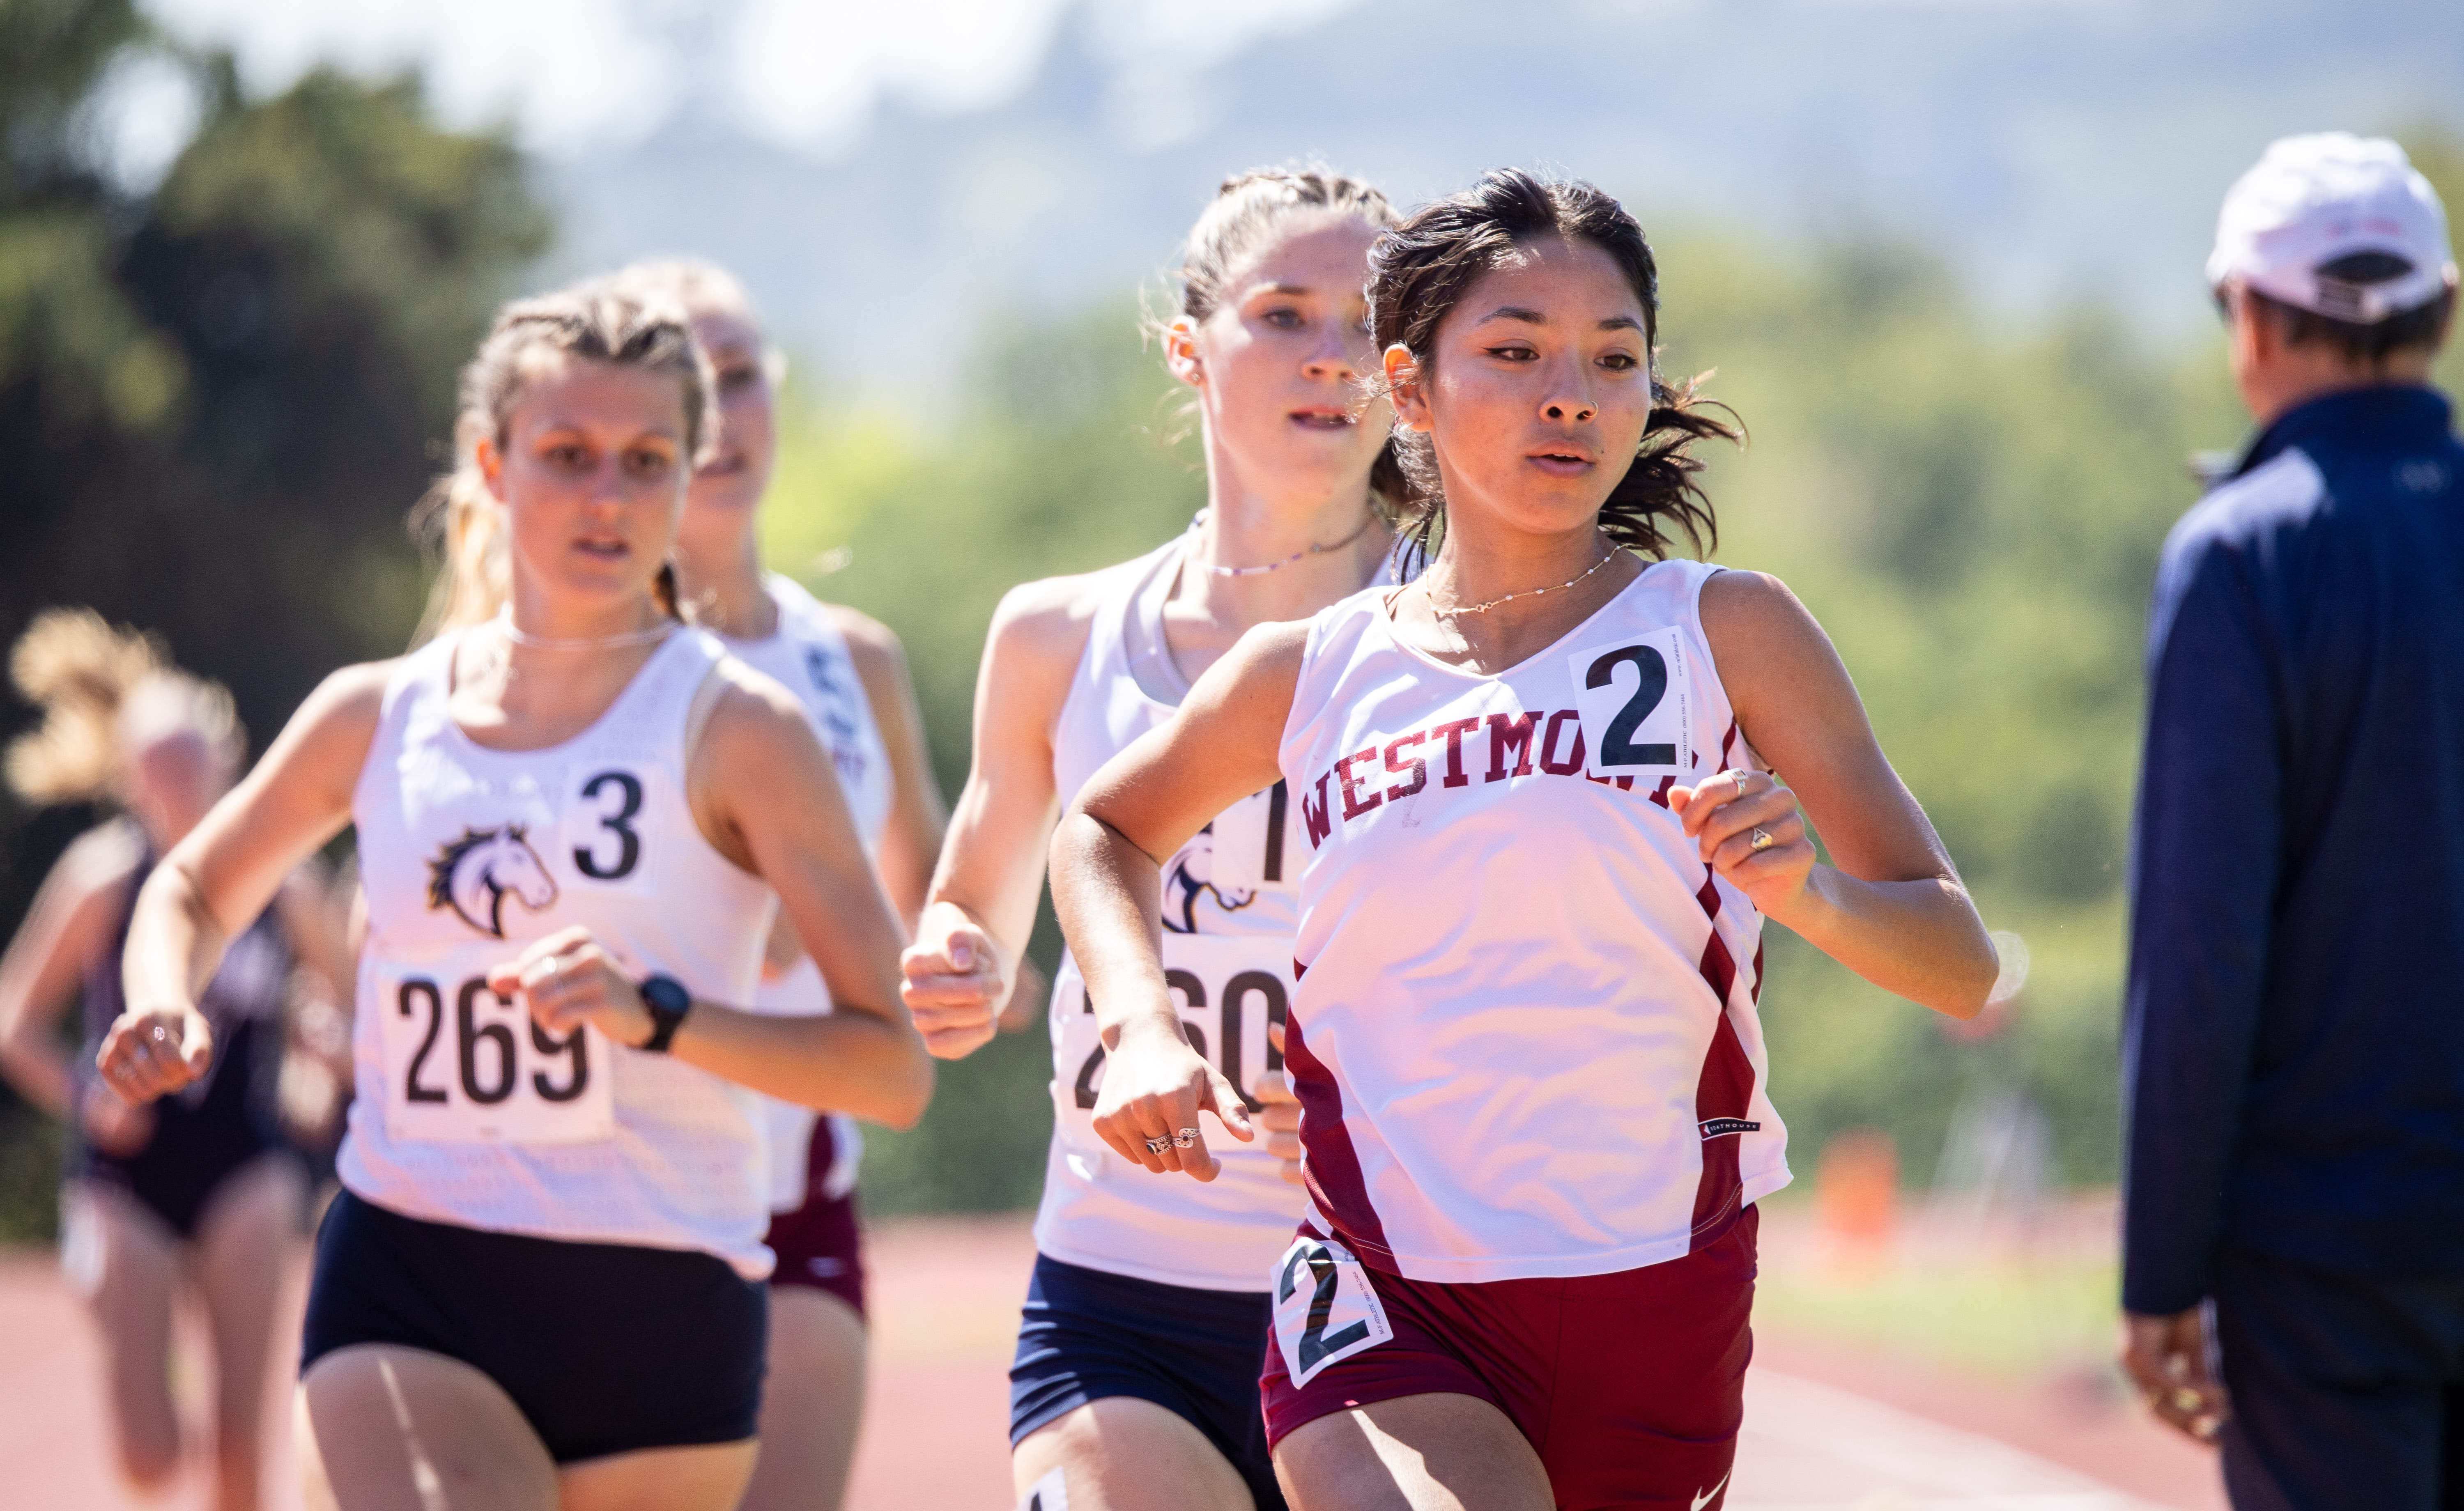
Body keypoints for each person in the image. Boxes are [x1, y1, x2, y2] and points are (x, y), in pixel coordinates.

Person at [1048, 168, 2000, 1510]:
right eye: (1514, 353)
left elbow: (1961, 962)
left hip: (1655, 1291)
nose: (1572, 394)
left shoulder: (1726, 631)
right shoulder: (1311, 669)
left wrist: (1814, 897)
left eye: (1613, 360)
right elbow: (1100, 827)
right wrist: (1142, 1026)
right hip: (1384, 1288)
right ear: (1409, 385)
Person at [94, 283, 935, 1511]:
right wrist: (164, 999)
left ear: (688, 471)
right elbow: (190, 888)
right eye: (567, 455)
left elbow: (890, 1068)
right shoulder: (377, 713)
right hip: (410, 1269)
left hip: (666, 1298)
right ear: (492, 463)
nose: (607, 495)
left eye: (646, 460)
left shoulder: (744, 731)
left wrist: (659, 1016)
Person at [898, 165, 1402, 1511]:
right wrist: (953, 967)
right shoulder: (1057, 638)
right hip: (1124, 1300)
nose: (1329, 358)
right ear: (1192, 348)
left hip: (1401, 1309)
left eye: (1365, 322)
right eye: (1285, 314)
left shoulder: (1476, 641)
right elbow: (973, 928)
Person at [2118, 133, 2463, 1505]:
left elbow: (2202, 950)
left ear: (2249, 321)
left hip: (2328, 1249)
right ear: (2442, 313)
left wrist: (2161, 1271)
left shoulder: (2246, 550)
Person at [619, 255, 948, 1511]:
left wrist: (978, 971)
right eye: (681, 379)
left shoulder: (850, 661)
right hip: (607, 1203)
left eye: (740, 373)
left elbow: (936, 905)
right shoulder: (583, 666)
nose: (717, 405)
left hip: (799, 1206)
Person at [0, 611, 347, 1511]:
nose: (178, 783)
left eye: (193, 762)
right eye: (158, 768)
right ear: (128, 781)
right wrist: (88, 1095)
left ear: (229, 762)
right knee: (149, 1455)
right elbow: (13, 1019)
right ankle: (159, 1396)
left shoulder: (288, 886)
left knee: (242, 1450)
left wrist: (324, 1052)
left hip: (246, 1162)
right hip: (126, 1175)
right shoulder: (100, 878)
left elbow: (355, 1017)